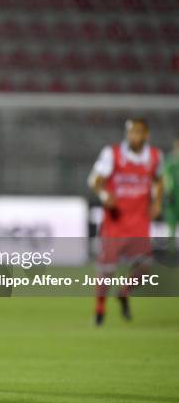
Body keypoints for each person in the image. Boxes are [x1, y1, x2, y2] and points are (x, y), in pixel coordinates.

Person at [88, 118, 163, 326]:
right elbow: (94, 181)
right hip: (115, 222)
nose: (133, 136)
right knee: (107, 269)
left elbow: (158, 180)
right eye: (131, 132)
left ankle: (123, 292)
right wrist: (105, 196)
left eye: (138, 132)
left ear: (146, 135)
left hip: (139, 221)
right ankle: (99, 309)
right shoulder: (112, 154)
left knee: (145, 268)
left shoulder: (155, 157)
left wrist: (157, 202)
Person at [163, 136, 179, 242]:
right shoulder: (169, 160)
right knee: (171, 226)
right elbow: (165, 177)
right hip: (173, 198)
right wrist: (168, 192)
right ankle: (171, 252)